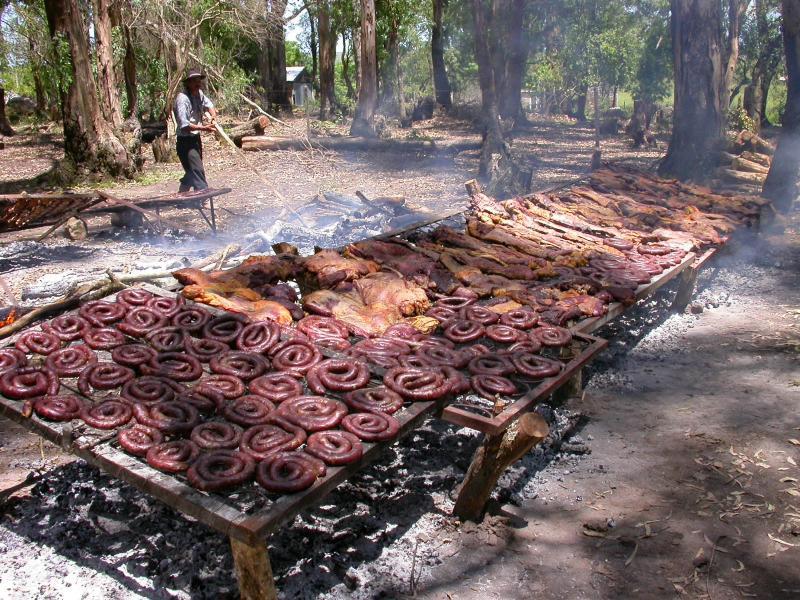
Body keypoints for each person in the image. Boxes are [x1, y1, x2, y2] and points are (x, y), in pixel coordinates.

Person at [173, 71, 218, 192]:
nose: (198, 83)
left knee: (191, 171)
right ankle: (204, 198)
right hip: (185, 141)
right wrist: (205, 128)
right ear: (188, 83)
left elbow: (209, 105)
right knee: (197, 170)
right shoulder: (182, 99)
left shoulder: (199, 94)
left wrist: (213, 117)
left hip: (195, 139)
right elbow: (184, 125)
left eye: (199, 80)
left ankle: (182, 195)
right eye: (194, 81)